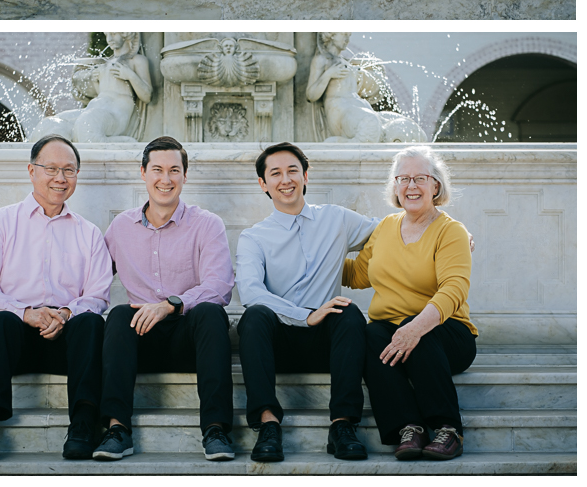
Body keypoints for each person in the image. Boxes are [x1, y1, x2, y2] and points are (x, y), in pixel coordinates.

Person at [0, 134, 112, 462]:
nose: (60, 178)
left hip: (66, 341)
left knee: (90, 322)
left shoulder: (88, 233)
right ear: (32, 171)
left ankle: (83, 426)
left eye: (69, 170)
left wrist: (64, 314)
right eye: (51, 169)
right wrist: (25, 312)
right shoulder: (0, 222)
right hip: (13, 340)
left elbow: (99, 294)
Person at [235, 142, 380, 463]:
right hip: (278, 342)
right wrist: (305, 316)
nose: (285, 180)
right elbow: (251, 292)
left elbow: (387, 231)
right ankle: (268, 424)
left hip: (327, 345)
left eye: (292, 171)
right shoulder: (254, 237)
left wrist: (444, 229)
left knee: (349, 312)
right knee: (254, 317)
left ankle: (342, 425)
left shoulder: (336, 219)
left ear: (305, 176)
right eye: (275, 174)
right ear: (264, 184)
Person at [95, 136, 236, 462]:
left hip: (190, 338)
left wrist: (171, 304)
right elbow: (93, 280)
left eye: (174, 170)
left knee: (212, 313)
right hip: (141, 341)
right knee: (118, 315)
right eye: (157, 169)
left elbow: (220, 285)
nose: (166, 178)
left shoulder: (207, 224)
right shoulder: (120, 227)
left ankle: (216, 430)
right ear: (143, 173)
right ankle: (117, 430)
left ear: (185, 176)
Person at [342, 145, 477, 461]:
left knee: (408, 327)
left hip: (448, 336)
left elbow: (454, 288)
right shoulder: (386, 227)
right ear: (395, 187)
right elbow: (358, 274)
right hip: (393, 335)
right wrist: (309, 257)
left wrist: (414, 328)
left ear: (435, 185)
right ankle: (409, 428)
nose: (411, 186)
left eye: (420, 178)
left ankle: (447, 429)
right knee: (372, 333)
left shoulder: (451, 231)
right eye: (403, 179)